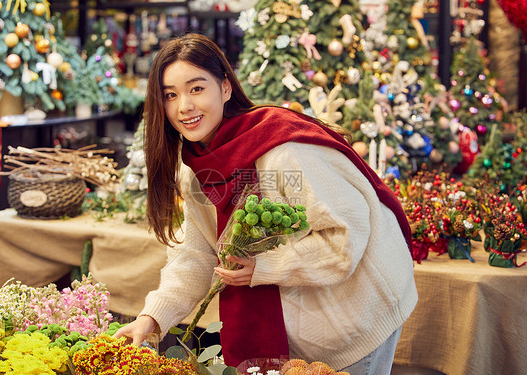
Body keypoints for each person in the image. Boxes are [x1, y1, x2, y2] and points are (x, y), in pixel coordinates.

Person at [114, 33, 417, 374]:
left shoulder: (283, 151)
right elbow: (197, 253)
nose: (184, 106)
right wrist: (152, 318)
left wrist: (265, 267)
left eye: (197, 88)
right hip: (294, 324)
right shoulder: (197, 168)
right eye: (170, 95)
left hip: (356, 313)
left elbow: (346, 237)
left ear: (225, 88)